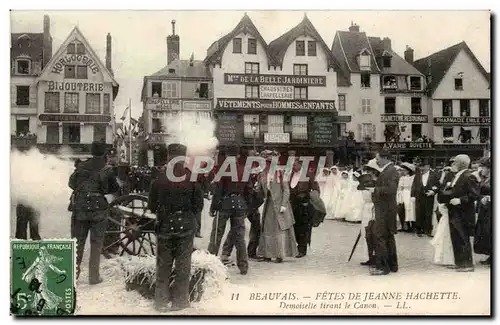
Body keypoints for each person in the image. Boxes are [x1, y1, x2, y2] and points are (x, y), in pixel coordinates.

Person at [148, 143, 204, 312]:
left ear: (168, 157)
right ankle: (180, 302)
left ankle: (161, 302)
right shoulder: (191, 176)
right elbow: (198, 205)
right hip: (185, 225)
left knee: (163, 265)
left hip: (165, 225)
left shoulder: (160, 177)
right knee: (183, 264)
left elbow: (151, 205)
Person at [69, 141, 120, 283]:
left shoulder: (81, 166)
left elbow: (71, 184)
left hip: (80, 209)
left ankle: (74, 274)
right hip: (98, 210)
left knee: (77, 242)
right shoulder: (107, 169)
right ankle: (93, 276)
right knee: (96, 244)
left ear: (91, 151)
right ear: (104, 153)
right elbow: (113, 188)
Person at [208, 146, 252, 275]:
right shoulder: (244, 170)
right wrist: (246, 207)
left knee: (216, 234)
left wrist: (213, 208)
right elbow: (249, 191)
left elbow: (218, 191)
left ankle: (210, 263)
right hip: (240, 204)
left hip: (225, 204)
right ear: (238, 156)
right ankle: (243, 266)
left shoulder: (223, 169)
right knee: (239, 237)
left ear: (227, 156)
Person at [439, 154, 479, 272]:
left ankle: (467, 264)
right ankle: (460, 262)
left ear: (461, 164)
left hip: (463, 213)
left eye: (455, 162)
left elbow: (474, 195)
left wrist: (460, 200)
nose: (453, 164)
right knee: (456, 237)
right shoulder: (457, 176)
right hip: (454, 211)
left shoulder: (469, 176)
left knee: (463, 238)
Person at [256, 157, 298, 263]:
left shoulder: (281, 173)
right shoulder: (262, 174)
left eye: (269, 163)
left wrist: (283, 204)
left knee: (279, 229)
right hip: (269, 205)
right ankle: (267, 254)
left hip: (280, 206)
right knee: (267, 229)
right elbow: (261, 190)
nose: (267, 165)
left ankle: (280, 255)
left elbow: (286, 190)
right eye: (266, 163)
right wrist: (256, 188)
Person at [370, 150, 399, 276]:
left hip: (385, 209)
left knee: (380, 235)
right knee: (388, 236)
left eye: (378, 159)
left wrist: (374, 189)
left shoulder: (391, 171)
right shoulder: (389, 170)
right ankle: (392, 265)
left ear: (385, 158)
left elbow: (391, 190)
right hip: (387, 208)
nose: (376, 161)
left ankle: (382, 267)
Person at [289, 158, 320, 258]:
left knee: (303, 228)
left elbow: (316, 190)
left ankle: (302, 249)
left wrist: (307, 198)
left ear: (300, 165)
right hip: (292, 204)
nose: (293, 167)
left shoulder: (308, 175)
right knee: (294, 226)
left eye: (294, 165)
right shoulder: (290, 175)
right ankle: (295, 247)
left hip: (304, 205)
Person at [358, 159, 379, 266]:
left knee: (374, 233)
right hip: (366, 209)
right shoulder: (364, 181)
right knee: (365, 233)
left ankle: (375, 256)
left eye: (371, 170)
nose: (369, 172)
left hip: (374, 208)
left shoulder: (378, 182)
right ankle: (368, 256)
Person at [414, 160, 440, 237]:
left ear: (428, 167)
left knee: (428, 213)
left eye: (424, 166)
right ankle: (419, 230)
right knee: (419, 212)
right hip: (419, 196)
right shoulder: (418, 175)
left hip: (429, 197)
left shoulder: (434, 175)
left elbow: (438, 186)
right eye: (421, 166)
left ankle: (428, 230)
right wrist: (413, 195)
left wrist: (433, 191)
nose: (422, 168)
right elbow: (414, 185)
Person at [474, 156, 491, 266]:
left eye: (483, 167)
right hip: (485, 209)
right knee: (485, 232)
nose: (481, 169)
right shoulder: (485, 179)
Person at [398, 162, 417, 232]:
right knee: (404, 209)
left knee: (411, 209)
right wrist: (400, 194)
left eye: (405, 170)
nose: (404, 172)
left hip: (410, 194)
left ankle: (413, 225)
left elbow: (414, 186)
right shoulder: (402, 178)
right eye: (403, 170)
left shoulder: (413, 177)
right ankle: (406, 225)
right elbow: (400, 187)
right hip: (404, 194)